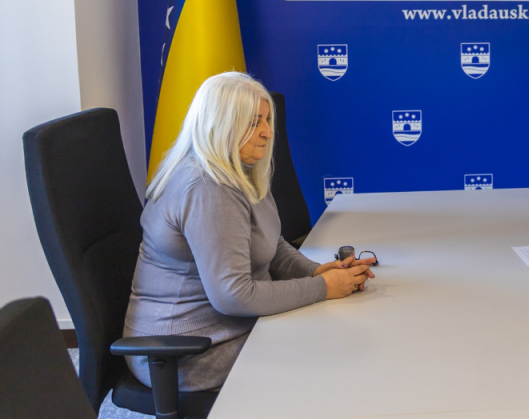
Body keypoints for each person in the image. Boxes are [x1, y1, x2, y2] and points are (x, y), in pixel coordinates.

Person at [123, 72, 375, 391]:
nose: (268, 132)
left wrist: (316, 272)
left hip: (230, 326)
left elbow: (269, 242)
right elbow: (234, 296)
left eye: (267, 120)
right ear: (221, 124)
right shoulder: (207, 188)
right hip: (187, 351)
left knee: (335, 333)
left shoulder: (239, 169)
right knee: (331, 352)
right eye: (255, 122)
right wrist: (323, 288)